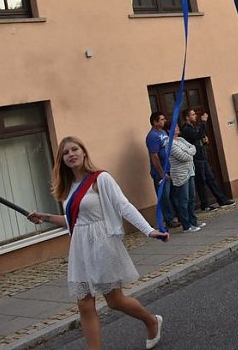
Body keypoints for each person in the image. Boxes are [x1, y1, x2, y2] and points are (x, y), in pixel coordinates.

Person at [27, 136, 168, 350]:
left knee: (114, 301)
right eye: (66, 153)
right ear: (61, 160)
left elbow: (124, 206)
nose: (71, 154)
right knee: (84, 303)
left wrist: (149, 231)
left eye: (75, 149)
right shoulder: (68, 188)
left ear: (84, 152)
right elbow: (74, 221)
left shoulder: (100, 178)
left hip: (102, 243)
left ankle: (151, 321)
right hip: (80, 246)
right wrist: (45, 217)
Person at [180, 109, 234, 211]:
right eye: (193, 114)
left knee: (211, 179)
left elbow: (199, 137)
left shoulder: (193, 127)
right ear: (187, 117)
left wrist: (204, 141)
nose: (195, 116)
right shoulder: (186, 129)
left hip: (202, 157)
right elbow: (197, 136)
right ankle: (205, 204)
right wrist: (204, 122)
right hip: (196, 159)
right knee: (201, 181)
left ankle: (221, 199)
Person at [145, 112, 179, 228]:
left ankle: (177, 215)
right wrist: (162, 173)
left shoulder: (163, 132)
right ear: (155, 122)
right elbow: (154, 156)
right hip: (160, 172)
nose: (164, 121)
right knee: (164, 197)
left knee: (173, 194)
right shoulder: (152, 136)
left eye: (164, 119)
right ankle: (169, 219)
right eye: (162, 119)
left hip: (170, 168)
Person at [169, 125, 204, 233]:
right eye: (175, 127)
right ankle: (186, 225)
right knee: (183, 200)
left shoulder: (181, 139)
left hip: (190, 171)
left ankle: (193, 221)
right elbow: (183, 157)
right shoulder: (169, 144)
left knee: (192, 199)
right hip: (180, 174)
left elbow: (193, 147)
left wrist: (189, 152)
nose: (178, 128)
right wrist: (190, 153)